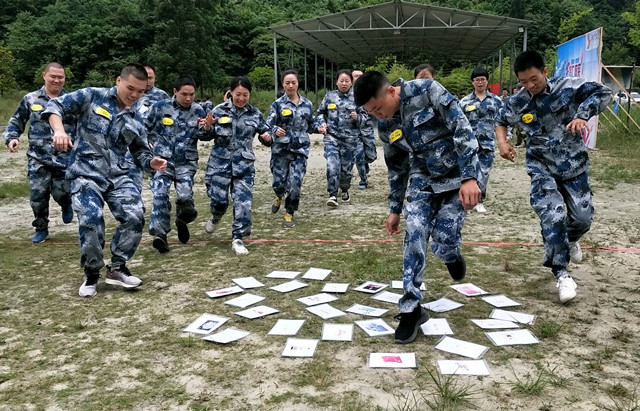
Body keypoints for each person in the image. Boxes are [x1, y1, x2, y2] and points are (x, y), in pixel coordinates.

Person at [354, 71, 481, 344]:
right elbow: (396, 168)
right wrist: (395, 209)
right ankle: (411, 308)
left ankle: (450, 255)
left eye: (378, 108)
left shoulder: (427, 90)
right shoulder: (386, 126)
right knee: (415, 231)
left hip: (457, 174)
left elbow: (462, 128)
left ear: (390, 92)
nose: (379, 116)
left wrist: (470, 177)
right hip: (422, 178)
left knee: (444, 241)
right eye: (371, 113)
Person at [42, 63, 168, 298]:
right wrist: (59, 131)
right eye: (131, 88)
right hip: (86, 173)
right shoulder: (92, 96)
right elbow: (54, 106)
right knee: (91, 219)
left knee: (135, 215)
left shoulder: (135, 117)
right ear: (119, 81)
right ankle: (91, 272)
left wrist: (151, 162)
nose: (135, 95)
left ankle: (118, 267)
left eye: (141, 91)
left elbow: (140, 151)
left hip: (118, 176)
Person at [495, 50, 612, 303]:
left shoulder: (568, 87)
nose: (530, 85)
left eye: (534, 79)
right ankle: (561, 273)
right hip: (541, 167)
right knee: (554, 214)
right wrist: (503, 143)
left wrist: (583, 114)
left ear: (545, 71)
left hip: (574, 166)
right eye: (524, 81)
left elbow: (603, 92)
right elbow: (500, 119)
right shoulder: (518, 101)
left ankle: (569, 240)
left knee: (582, 219)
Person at [3, 62, 76, 243]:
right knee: (38, 196)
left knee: (62, 192)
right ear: (44, 75)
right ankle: (41, 228)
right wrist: (12, 137)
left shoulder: (72, 99)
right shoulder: (31, 99)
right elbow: (16, 121)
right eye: (53, 76)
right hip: (38, 157)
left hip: (64, 157)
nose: (57, 80)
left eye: (61, 77)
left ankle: (67, 204)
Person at [145, 76, 214, 253]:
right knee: (160, 195)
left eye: (191, 94)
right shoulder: (160, 107)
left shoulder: (198, 110)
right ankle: (160, 235)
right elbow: (143, 127)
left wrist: (207, 127)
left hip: (186, 164)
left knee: (185, 199)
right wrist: (148, 144)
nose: (188, 98)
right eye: (184, 94)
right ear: (175, 92)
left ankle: (181, 220)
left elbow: (205, 136)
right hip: (163, 162)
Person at [203, 76, 271, 255]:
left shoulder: (255, 113)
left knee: (243, 203)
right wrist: (208, 127)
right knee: (219, 202)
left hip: (244, 166)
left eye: (245, 95)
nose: (241, 98)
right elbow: (203, 135)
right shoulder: (218, 110)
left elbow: (265, 132)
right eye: (238, 94)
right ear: (231, 92)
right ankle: (216, 216)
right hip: (219, 165)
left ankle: (238, 238)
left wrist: (267, 137)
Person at [266, 68, 316, 228]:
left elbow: (311, 124)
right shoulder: (277, 105)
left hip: (300, 150)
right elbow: (268, 125)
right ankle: (278, 195)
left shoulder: (307, 104)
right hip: (281, 150)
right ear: (283, 84)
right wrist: (274, 130)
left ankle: (289, 213)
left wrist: (320, 127)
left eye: (293, 82)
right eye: (287, 83)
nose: (290, 85)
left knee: (295, 184)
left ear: (298, 83)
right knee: (279, 183)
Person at [460, 67, 503, 213]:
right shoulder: (464, 102)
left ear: (487, 81)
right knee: (469, 171)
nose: (480, 82)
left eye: (483, 79)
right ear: (472, 82)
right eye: (477, 80)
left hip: (487, 143)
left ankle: (479, 200)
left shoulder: (496, 101)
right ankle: (466, 199)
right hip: (468, 144)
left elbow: (503, 120)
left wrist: (506, 136)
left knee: (484, 173)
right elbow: (458, 122)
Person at [316, 69, 362, 206]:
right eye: (341, 81)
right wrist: (321, 123)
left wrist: (358, 117)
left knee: (346, 170)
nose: (344, 83)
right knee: (332, 165)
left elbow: (367, 117)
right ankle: (332, 194)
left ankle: (345, 188)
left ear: (351, 82)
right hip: (332, 137)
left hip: (350, 139)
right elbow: (320, 113)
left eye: (347, 81)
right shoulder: (329, 96)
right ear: (336, 82)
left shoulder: (358, 98)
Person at [352, 69, 378, 189]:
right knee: (359, 156)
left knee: (371, 156)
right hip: (354, 132)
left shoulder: (371, 92)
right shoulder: (348, 95)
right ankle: (363, 180)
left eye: (360, 76)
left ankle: (366, 163)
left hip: (367, 130)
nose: (358, 78)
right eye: (355, 76)